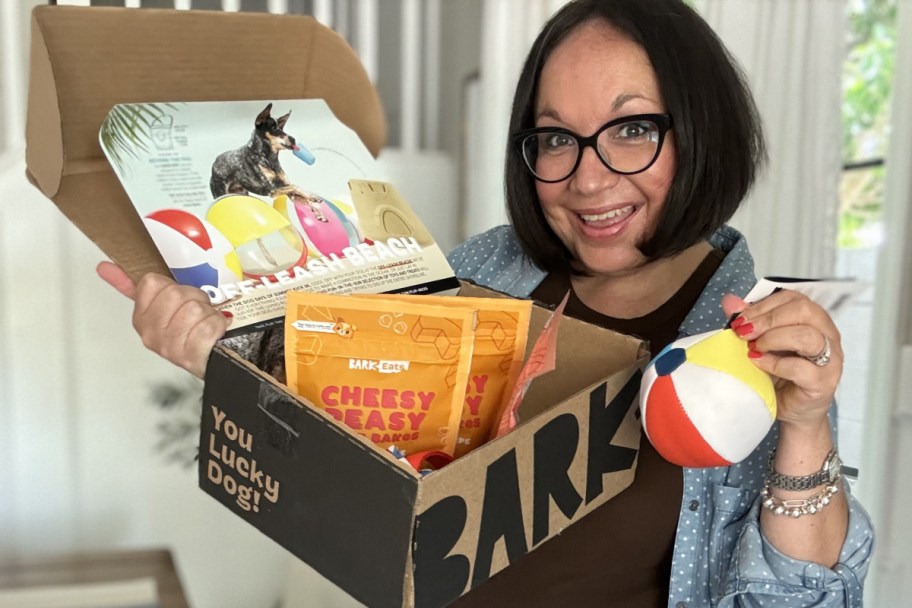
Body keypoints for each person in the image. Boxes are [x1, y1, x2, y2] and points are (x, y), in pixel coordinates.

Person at [97, 0, 874, 605]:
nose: (588, 179)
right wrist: (217, 357)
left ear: (702, 129)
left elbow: (799, 603)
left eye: (632, 128)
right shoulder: (477, 274)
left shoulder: (761, 344)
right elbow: (357, 453)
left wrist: (803, 427)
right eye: (556, 138)